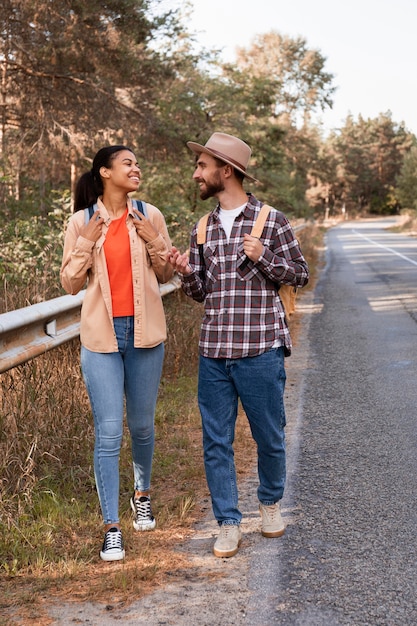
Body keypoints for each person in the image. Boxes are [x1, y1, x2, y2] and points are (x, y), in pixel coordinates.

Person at [169, 132, 309, 558]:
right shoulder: (202, 228)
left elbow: (299, 274)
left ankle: (269, 504)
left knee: (269, 435)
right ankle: (228, 522)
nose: (196, 174)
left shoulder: (272, 220)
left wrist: (264, 255)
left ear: (225, 171)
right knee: (215, 441)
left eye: (202, 166)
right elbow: (202, 291)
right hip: (213, 351)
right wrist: (183, 272)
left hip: (261, 349)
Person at [61, 145, 173, 561]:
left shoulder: (150, 215)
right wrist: (86, 243)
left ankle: (141, 495)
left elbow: (166, 273)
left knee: (142, 427)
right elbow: (70, 284)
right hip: (101, 339)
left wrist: (155, 240)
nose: (136, 167)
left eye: (137, 162)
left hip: (146, 336)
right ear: (105, 172)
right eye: (128, 163)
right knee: (109, 432)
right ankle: (111, 526)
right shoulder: (81, 222)